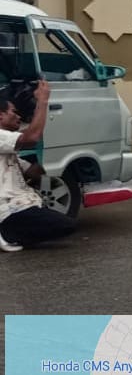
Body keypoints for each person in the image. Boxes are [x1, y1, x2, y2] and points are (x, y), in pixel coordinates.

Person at [0, 81, 77, 251]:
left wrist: (58, 151)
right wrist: (42, 100)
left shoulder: (8, 151)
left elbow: (34, 173)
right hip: (9, 212)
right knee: (65, 225)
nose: (19, 117)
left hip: (22, 206)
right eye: (14, 112)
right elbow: (31, 137)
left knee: (63, 224)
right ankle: (5, 234)